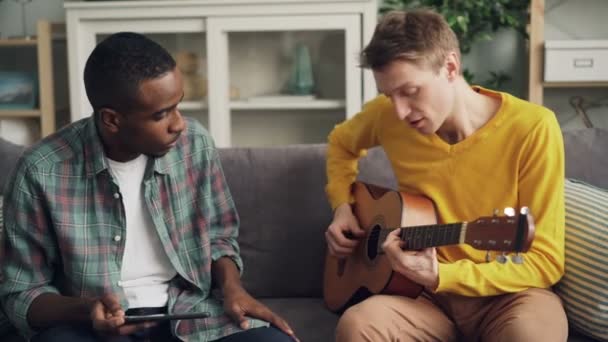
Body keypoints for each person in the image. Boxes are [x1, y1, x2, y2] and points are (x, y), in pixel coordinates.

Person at [0, 32, 298, 342]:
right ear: (112, 120)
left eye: (177, 106)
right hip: (91, 330)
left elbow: (219, 238)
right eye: (161, 114)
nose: (179, 124)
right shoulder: (40, 171)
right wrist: (87, 310)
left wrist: (233, 289)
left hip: (188, 313)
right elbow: (22, 292)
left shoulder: (194, 145)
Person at [324, 9, 568, 342]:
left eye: (410, 91)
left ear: (450, 67)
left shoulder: (533, 128)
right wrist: (342, 205)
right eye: (388, 96)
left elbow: (546, 261)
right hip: (422, 298)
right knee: (357, 326)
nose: (399, 111)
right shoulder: (388, 117)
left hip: (508, 295)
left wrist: (445, 274)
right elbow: (340, 143)